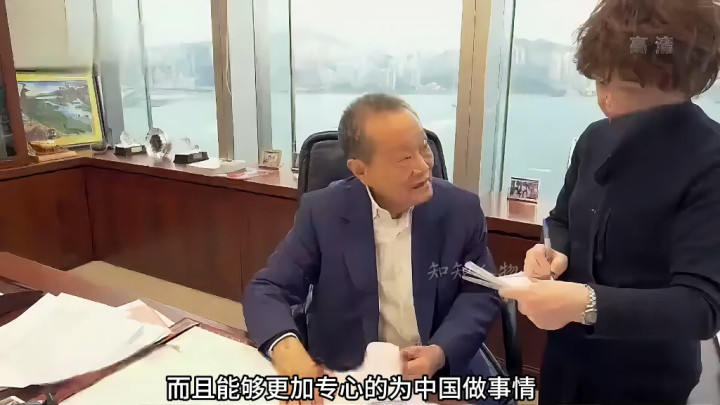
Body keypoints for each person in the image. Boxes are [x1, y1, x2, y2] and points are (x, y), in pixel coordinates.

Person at [499, 1, 720, 404]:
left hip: (648, 377)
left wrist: (587, 303)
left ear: (677, 80)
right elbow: (561, 219)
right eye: (600, 81)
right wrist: (552, 251)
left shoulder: (711, 159)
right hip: (567, 358)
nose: (607, 100)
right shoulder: (594, 138)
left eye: (627, 87)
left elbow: (701, 306)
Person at [243, 94, 500, 403]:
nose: (423, 167)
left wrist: (440, 351)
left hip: (440, 377)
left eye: (423, 147)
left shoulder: (461, 210)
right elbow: (267, 288)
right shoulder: (323, 212)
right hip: (350, 378)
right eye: (404, 158)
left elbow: (480, 291)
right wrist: (289, 354)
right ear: (360, 170)